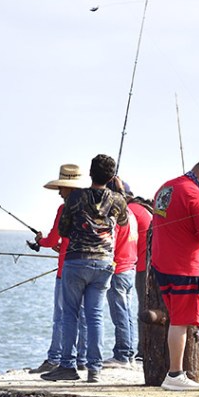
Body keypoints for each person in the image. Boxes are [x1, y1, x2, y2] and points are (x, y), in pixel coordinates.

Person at [41, 154, 128, 383]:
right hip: (104, 263)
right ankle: (95, 370)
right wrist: (119, 192)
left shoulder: (76, 197)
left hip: (77, 261)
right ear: (111, 177)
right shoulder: (118, 200)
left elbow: (64, 229)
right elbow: (123, 222)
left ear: (90, 173)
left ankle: (67, 365)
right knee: (95, 317)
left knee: (70, 315)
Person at [150, 158, 199, 391]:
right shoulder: (195, 195)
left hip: (162, 264)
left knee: (176, 319)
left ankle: (175, 373)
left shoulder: (166, 187)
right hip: (185, 266)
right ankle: (175, 374)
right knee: (181, 321)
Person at [29, 164, 87, 374]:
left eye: (61, 188)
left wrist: (41, 241)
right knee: (84, 317)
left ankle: (55, 358)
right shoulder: (91, 205)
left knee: (61, 317)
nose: (59, 193)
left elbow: (53, 238)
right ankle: (82, 358)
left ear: (68, 188)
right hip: (88, 266)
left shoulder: (64, 209)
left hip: (67, 269)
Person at [102, 176, 139, 368]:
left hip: (118, 270)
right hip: (130, 268)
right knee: (126, 312)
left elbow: (110, 243)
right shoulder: (130, 214)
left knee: (120, 313)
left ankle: (123, 355)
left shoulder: (115, 216)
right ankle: (128, 352)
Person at [126, 187, 153, 361]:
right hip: (151, 264)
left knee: (143, 309)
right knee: (148, 307)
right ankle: (145, 349)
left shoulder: (130, 211)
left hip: (143, 266)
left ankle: (143, 351)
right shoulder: (141, 208)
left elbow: (124, 239)